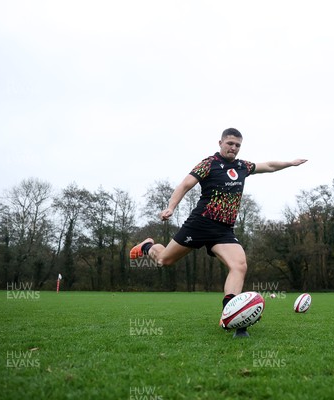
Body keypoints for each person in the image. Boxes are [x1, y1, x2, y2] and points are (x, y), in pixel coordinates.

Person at [129, 128, 307, 338]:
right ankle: (148, 245)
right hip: (200, 223)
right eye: (230, 143)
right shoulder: (208, 163)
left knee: (239, 265)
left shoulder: (243, 166)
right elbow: (185, 184)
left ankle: (231, 314)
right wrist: (171, 207)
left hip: (224, 230)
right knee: (164, 260)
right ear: (220, 143)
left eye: (237, 145)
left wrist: (290, 163)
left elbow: (268, 166)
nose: (233, 148)